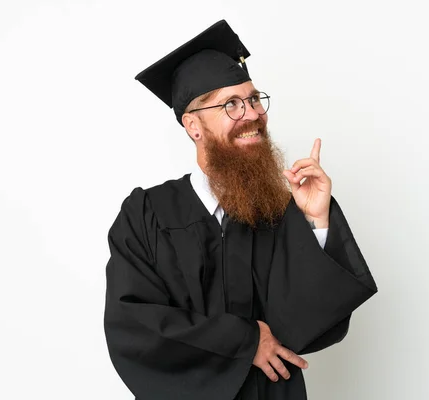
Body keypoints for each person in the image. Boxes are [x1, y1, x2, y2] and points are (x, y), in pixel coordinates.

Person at [103, 20, 377, 400]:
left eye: (253, 99)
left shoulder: (281, 210)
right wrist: (245, 342)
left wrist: (315, 220)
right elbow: (133, 329)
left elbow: (308, 326)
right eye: (231, 104)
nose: (251, 114)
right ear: (193, 126)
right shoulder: (146, 215)